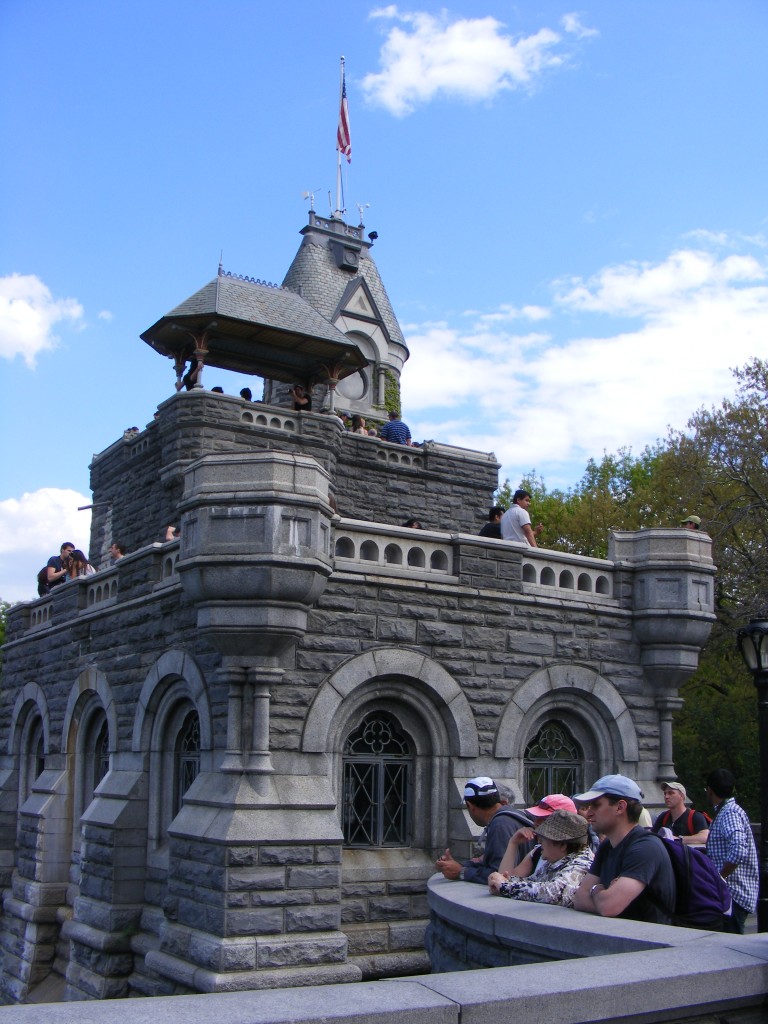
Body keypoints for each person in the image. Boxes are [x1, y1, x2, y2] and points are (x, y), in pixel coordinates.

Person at [572, 774, 675, 924]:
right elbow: (580, 899)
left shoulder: (646, 848)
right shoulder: (607, 846)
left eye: (596, 805)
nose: (589, 813)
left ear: (620, 807)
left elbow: (608, 907)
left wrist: (595, 890)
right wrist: (603, 895)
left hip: (650, 942)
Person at [488, 810, 594, 907]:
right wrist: (502, 880)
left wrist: (504, 886)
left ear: (562, 845)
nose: (539, 842)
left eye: (544, 838)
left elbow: (555, 892)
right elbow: (533, 881)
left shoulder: (581, 863)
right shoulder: (556, 860)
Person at [434, 778, 528, 884]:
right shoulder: (512, 816)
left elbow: (499, 876)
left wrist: (461, 872)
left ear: (470, 805)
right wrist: (457, 866)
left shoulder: (500, 824)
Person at [704, 768, 759, 934]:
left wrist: (720, 877)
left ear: (710, 790)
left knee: (731, 946)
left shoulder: (729, 813)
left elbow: (738, 849)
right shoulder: (728, 811)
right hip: (732, 893)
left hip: (734, 894)